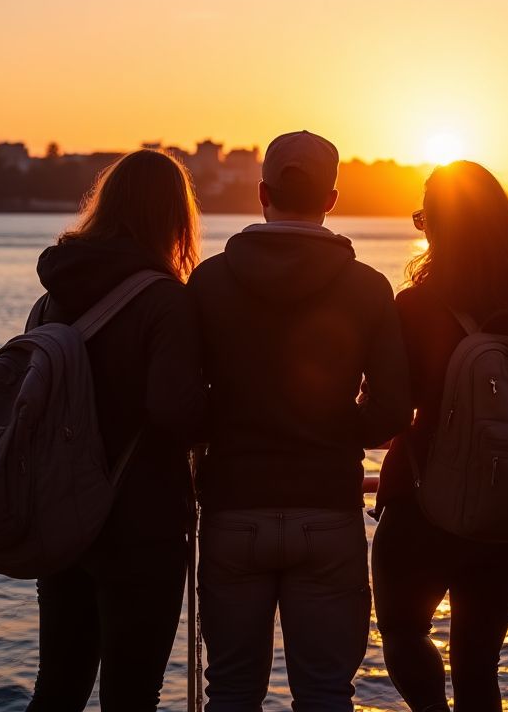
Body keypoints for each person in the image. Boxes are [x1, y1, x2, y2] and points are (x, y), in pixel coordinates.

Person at [189, 130, 412, 711]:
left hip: (233, 509)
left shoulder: (209, 282)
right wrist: (339, 426)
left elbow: (183, 400)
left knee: (232, 692)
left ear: (261, 191)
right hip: (327, 509)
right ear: (332, 200)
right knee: (325, 694)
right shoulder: (367, 287)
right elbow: (393, 407)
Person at [372, 160, 508, 712]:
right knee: (480, 666)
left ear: (436, 226)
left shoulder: (415, 306)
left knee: (403, 630)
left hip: (424, 502)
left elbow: (391, 408)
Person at [27, 148, 206, 712]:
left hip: (61, 516)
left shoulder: (52, 298)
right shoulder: (162, 301)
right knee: (132, 695)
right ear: (174, 218)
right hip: (140, 525)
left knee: (58, 687)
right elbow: (173, 411)